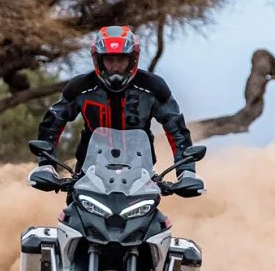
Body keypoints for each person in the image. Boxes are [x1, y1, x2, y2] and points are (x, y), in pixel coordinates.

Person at [30, 26, 204, 196]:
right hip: (87, 178)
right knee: (70, 215)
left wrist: (186, 172)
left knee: (158, 217)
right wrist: (46, 166)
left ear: (132, 59)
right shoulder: (80, 87)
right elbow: (52, 124)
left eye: (121, 60)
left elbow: (176, 129)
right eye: (109, 60)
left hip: (141, 179)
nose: (115, 67)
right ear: (99, 60)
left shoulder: (153, 87)